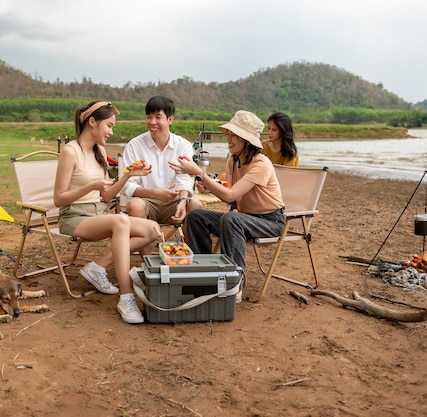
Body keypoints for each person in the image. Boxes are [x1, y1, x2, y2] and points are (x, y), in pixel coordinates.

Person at [54, 101, 160, 324]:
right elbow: (58, 199)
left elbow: (106, 197)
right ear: (92, 122)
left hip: (98, 214)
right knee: (122, 221)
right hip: (74, 217)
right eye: (109, 126)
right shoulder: (70, 151)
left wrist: (128, 175)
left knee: (152, 229)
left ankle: (97, 266)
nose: (111, 132)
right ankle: (126, 296)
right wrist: (89, 187)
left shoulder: (99, 151)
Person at [169, 110, 285, 271]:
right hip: (244, 218)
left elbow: (230, 194)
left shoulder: (261, 164)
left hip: (269, 222)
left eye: (234, 135)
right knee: (196, 216)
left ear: (247, 140)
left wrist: (200, 173)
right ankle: (203, 269)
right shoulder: (233, 160)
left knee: (231, 219)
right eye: (228, 134)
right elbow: (232, 200)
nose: (228, 139)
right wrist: (209, 186)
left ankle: (234, 279)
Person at [121, 96, 202, 244]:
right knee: (134, 205)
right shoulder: (134, 145)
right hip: (146, 203)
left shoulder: (182, 145)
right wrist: (154, 193)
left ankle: (188, 254)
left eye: (158, 117)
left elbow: (185, 178)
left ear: (170, 120)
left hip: (174, 202)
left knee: (195, 205)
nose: (152, 122)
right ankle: (144, 259)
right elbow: (127, 184)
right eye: (149, 117)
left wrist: (183, 201)